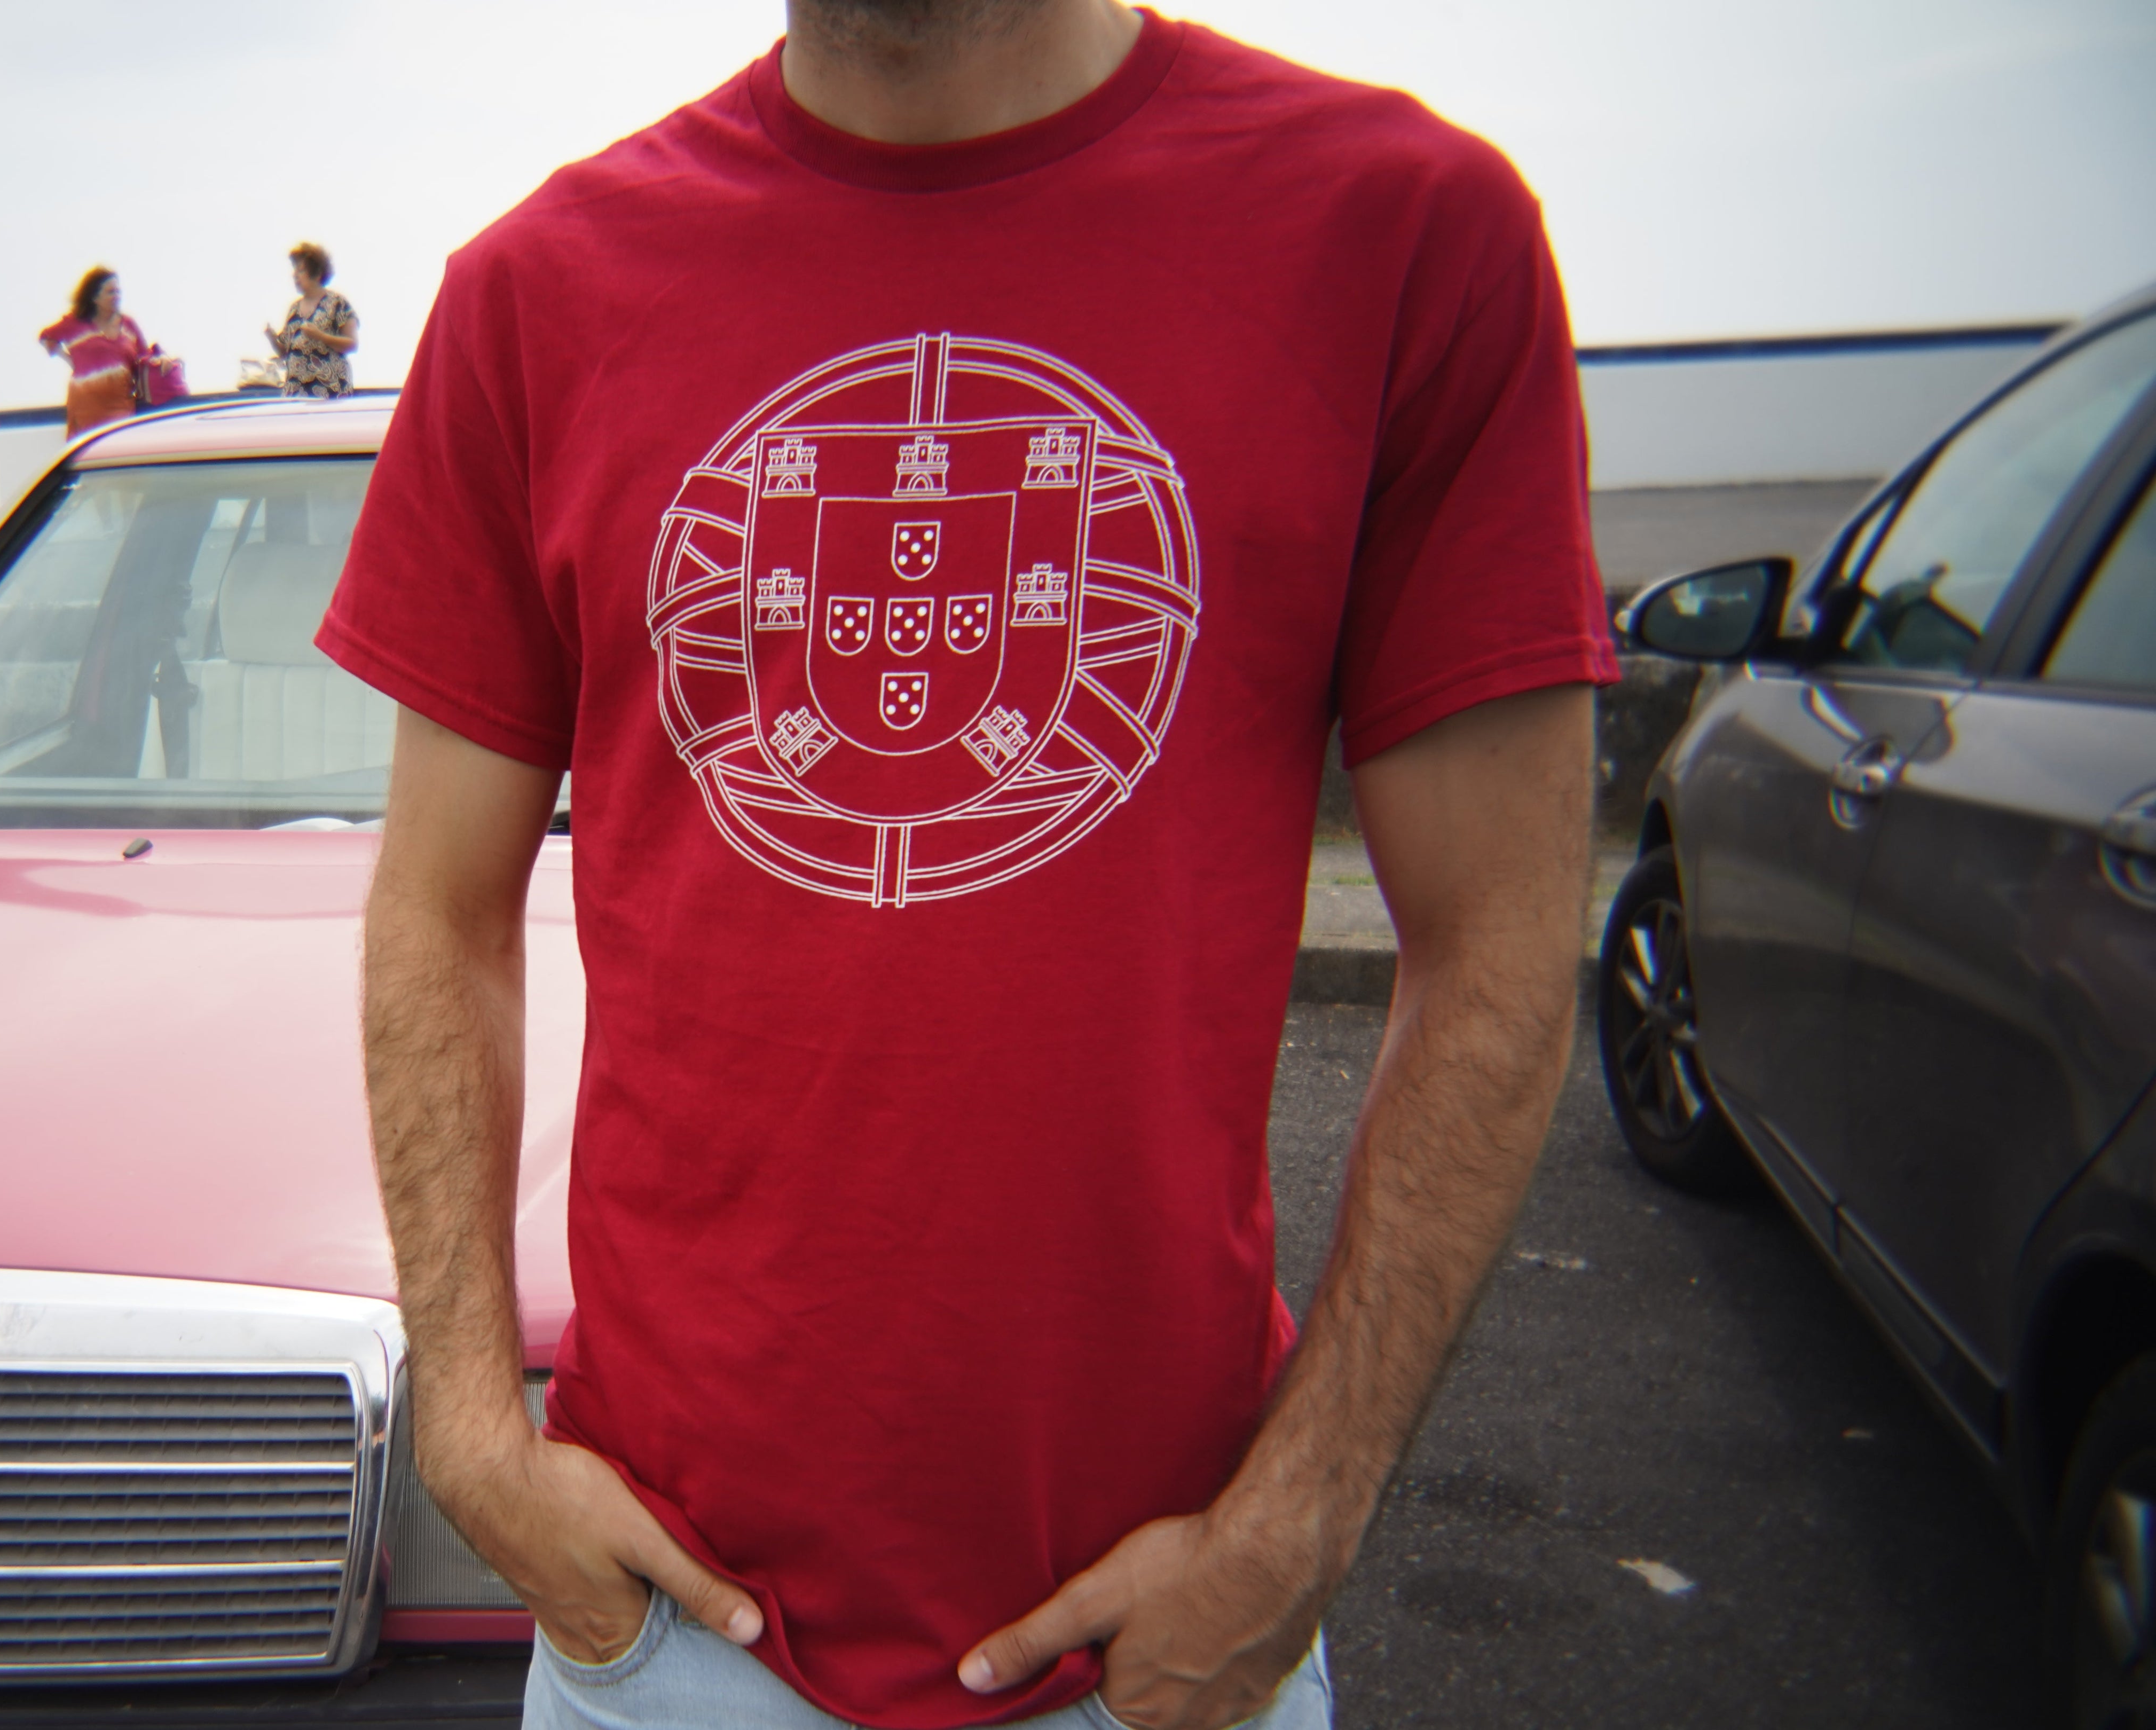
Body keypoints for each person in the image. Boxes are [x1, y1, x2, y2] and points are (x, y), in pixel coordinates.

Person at [318, 3, 1612, 1727]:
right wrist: (477, 1436)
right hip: (670, 1636)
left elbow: (1500, 944)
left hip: (1166, 1649)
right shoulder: (534, 294)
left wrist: (1303, 1518)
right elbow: (437, 908)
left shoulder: (1402, 237)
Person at [39, 265, 157, 435]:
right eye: (111, 292)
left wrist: (161, 362)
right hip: (86, 410)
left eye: (118, 292)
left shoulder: (128, 325)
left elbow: (145, 357)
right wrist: (70, 360)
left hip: (121, 407)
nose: (117, 297)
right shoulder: (75, 324)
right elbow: (46, 337)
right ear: (95, 297)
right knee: (92, 450)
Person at [265, 241, 359, 398]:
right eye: (295, 270)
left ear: (317, 273)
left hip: (330, 395)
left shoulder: (337, 303)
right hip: (297, 396)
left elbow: (352, 344)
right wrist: (272, 338)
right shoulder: (294, 310)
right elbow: (284, 352)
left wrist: (321, 336)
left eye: (301, 270)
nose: (295, 275)